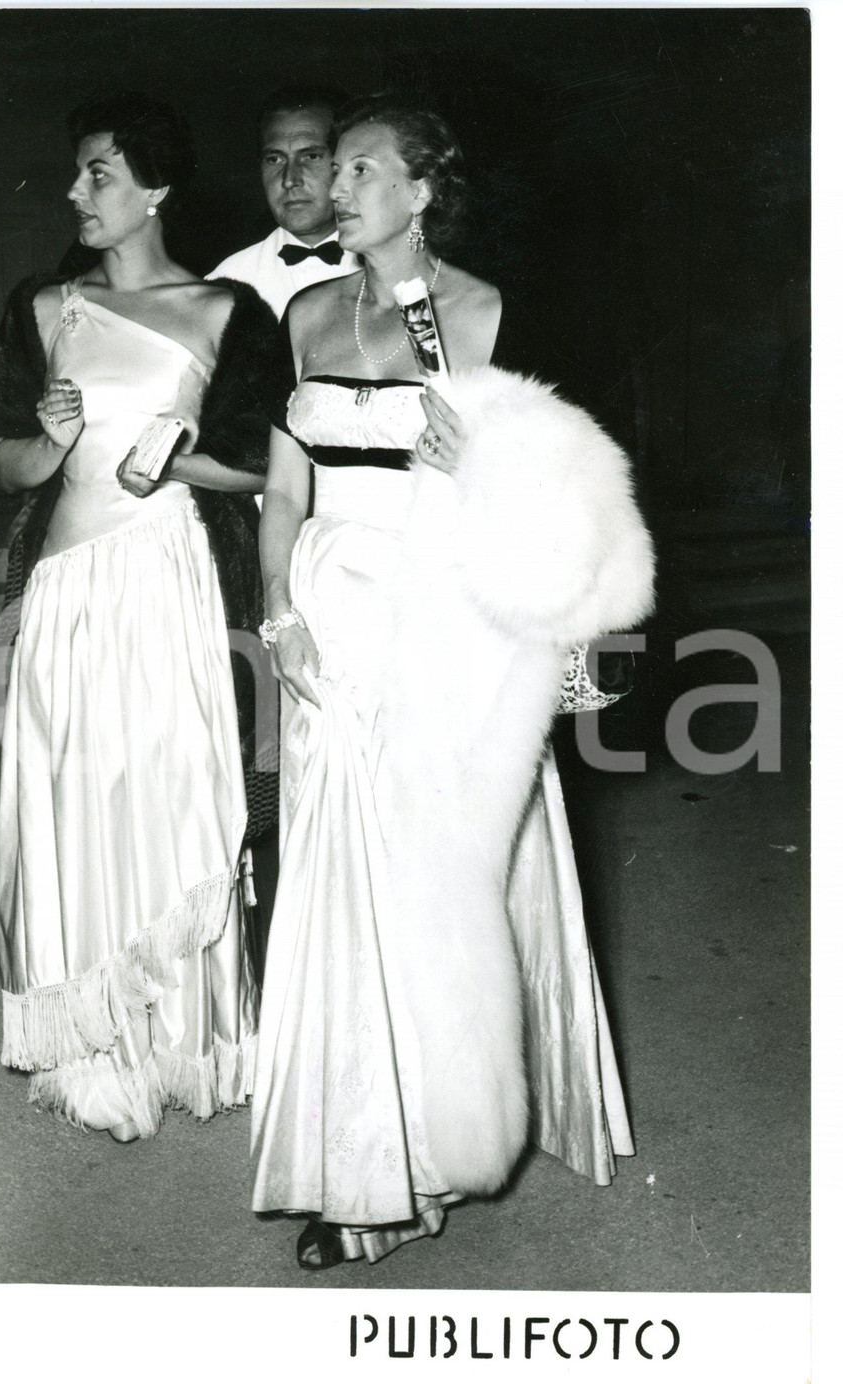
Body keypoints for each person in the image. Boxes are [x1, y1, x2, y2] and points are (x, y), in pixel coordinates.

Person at [251, 95, 655, 1268]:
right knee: (346, 879)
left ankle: (433, 1147)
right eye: (340, 168)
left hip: (441, 619)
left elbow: (557, 496)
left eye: (364, 169)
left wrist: (478, 460)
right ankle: (365, 1166)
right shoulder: (309, 311)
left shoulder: (481, 313)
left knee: (439, 877)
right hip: (328, 615)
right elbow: (284, 488)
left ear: (421, 191)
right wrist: (278, 612)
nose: (339, 185)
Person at [0, 92, 277, 1143]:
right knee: (70, 797)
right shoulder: (43, 304)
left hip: (168, 575)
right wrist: (50, 442)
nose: (74, 192)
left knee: (168, 789)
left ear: (155, 188)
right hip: (67, 579)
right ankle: (93, 1047)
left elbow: (261, 465)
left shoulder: (227, 310)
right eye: (76, 173)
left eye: (97, 173)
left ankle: (185, 1038)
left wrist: (178, 456)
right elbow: (9, 458)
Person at [207, 86, 360, 318]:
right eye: (275, 159)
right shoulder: (226, 285)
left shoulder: (393, 267)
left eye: (311, 156)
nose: (290, 180)